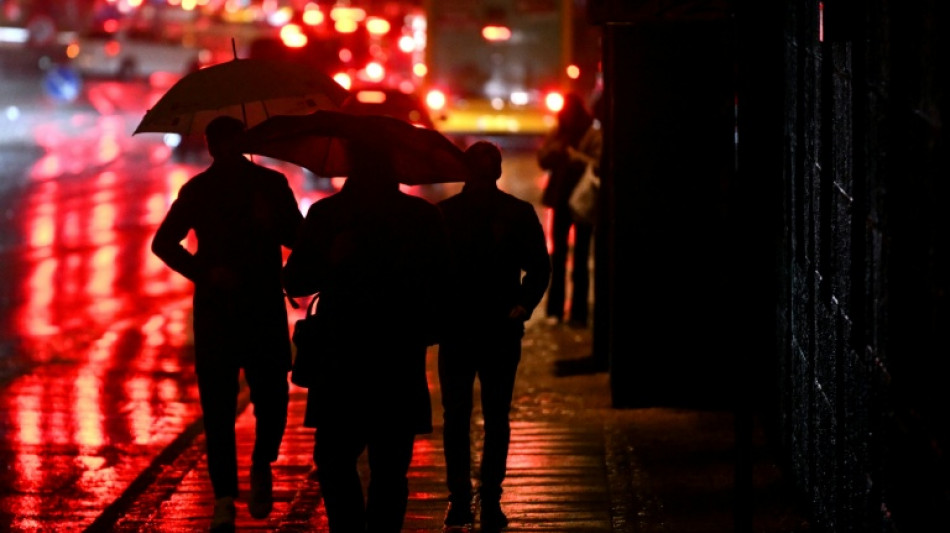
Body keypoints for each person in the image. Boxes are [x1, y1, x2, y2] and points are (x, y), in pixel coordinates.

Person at [281, 139, 447, 533]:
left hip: (341, 358)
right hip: (399, 357)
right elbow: (444, 287)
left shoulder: (328, 215)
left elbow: (296, 279)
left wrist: (332, 260)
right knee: (390, 468)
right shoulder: (422, 217)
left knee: (335, 459)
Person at [151, 116, 303, 532]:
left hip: (262, 309)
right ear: (212, 147)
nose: (226, 150)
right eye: (220, 143)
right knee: (217, 410)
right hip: (219, 312)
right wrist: (206, 272)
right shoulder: (199, 190)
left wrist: (270, 223)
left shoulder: (271, 186)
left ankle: (261, 461)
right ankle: (223, 498)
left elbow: (299, 238)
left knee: (272, 398)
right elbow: (163, 242)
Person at [437, 141, 551, 530]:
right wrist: (523, 303)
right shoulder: (516, 213)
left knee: (457, 416)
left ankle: (460, 499)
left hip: (458, 326)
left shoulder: (445, 215)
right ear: (498, 172)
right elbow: (539, 266)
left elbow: (429, 272)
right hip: (499, 327)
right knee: (495, 415)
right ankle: (489, 497)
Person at [537, 92, 602, 327]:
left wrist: (577, 157)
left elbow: (598, 162)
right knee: (560, 256)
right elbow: (543, 158)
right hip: (561, 199)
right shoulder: (559, 132)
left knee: (581, 258)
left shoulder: (591, 134)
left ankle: (578, 313)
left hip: (583, 201)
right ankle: (557, 310)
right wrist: (556, 150)